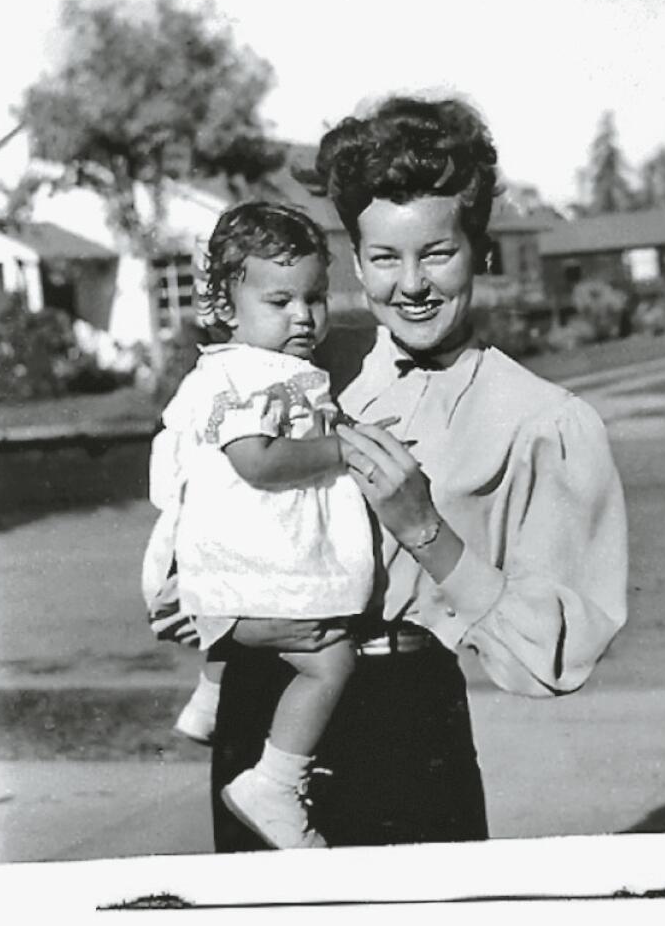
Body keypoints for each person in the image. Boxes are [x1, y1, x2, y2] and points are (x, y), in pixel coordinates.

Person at [154, 95, 629, 849]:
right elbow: (199, 483)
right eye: (383, 257)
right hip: (262, 706)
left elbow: (554, 656)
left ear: (481, 248)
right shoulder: (291, 358)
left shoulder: (542, 421)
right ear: (356, 259)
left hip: (403, 723)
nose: (411, 283)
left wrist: (426, 531)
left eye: (436, 252)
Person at [142, 201, 388, 849]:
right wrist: (342, 448)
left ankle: (209, 694)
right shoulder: (245, 375)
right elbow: (257, 460)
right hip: (250, 564)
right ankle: (275, 782)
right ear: (226, 305)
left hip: (235, 565)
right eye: (280, 301)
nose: (303, 316)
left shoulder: (258, 369)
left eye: (314, 297)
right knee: (331, 662)